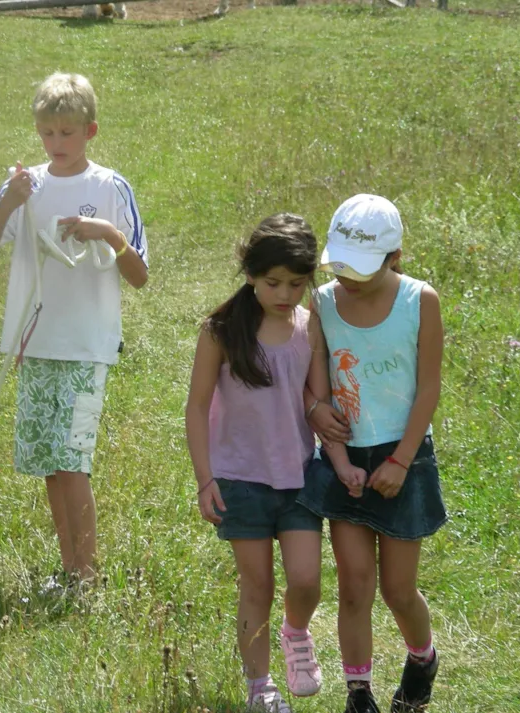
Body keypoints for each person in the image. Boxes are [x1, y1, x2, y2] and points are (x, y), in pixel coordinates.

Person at [0, 72, 148, 588]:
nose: (57, 144)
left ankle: (87, 575)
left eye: (68, 133)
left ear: (90, 131)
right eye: (47, 133)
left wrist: (109, 234)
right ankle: (69, 569)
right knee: (51, 465)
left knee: (74, 461)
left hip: (86, 346)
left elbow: (140, 276)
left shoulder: (109, 187)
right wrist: (8, 201)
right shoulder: (26, 185)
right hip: (34, 344)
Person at [185, 213, 360, 713]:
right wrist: (205, 479)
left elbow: (313, 397)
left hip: (299, 474)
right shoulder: (220, 331)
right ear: (250, 275)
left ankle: (296, 632)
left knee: (306, 580)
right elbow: (196, 407)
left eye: (297, 284)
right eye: (273, 283)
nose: (285, 294)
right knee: (256, 584)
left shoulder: (311, 329)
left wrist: (334, 449)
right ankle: (259, 687)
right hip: (239, 479)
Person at [298, 194, 446, 713]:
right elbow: (313, 378)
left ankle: (422, 657)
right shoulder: (321, 302)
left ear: (396, 256)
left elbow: (428, 388)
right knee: (355, 582)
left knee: (398, 590)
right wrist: (321, 421)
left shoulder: (419, 300)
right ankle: (358, 693)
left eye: (362, 269)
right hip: (344, 456)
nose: (349, 279)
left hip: (403, 455)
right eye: (341, 266)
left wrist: (402, 460)